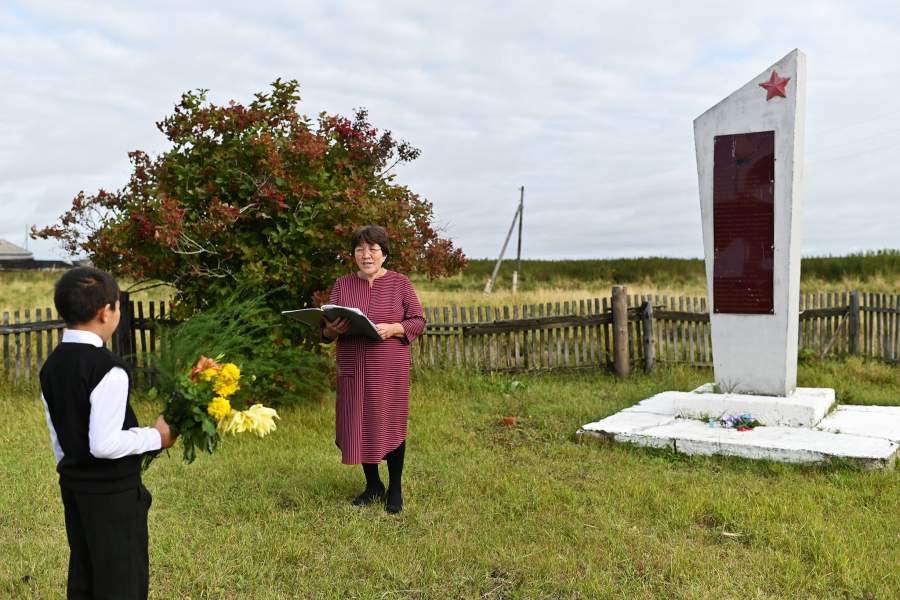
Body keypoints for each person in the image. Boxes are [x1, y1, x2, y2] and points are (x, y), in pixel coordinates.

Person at [39, 267, 176, 599]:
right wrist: (157, 436)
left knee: (85, 577)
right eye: (116, 306)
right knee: (122, 583)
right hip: (112, 496)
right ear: (106, 312)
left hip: (74, 488)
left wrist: (73, 472)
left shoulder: (52, 365)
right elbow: (104, 444)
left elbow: (59, 437)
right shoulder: (108, 368)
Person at [322, 225, 426, 514]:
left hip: (389, 370)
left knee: (388, 423)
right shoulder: (342, 285)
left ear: (384, 254)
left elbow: (418, 320)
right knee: (359, 424)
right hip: (352, 368)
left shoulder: (400, 283)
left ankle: (395, 489)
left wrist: (395, 328)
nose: (366, 255)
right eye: (359, 249)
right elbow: (326, 333)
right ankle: (373, 486)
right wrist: (331, 329)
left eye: (372, 249)